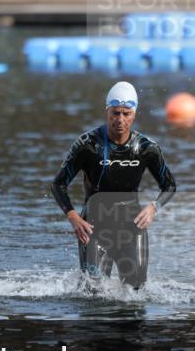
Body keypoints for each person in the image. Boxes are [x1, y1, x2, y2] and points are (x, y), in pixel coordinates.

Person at [51, 82, 176, 289]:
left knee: (136, 292)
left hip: (132, 229)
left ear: (134, 115)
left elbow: (169, 186)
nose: (120, 119)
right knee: (94, 292)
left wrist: (153, 207)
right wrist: (72, 216)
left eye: (126, 114)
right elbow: (58, 184)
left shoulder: (147, 149)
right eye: (115, 113)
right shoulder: (87, 145)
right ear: (106, 112)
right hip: (93, 230)